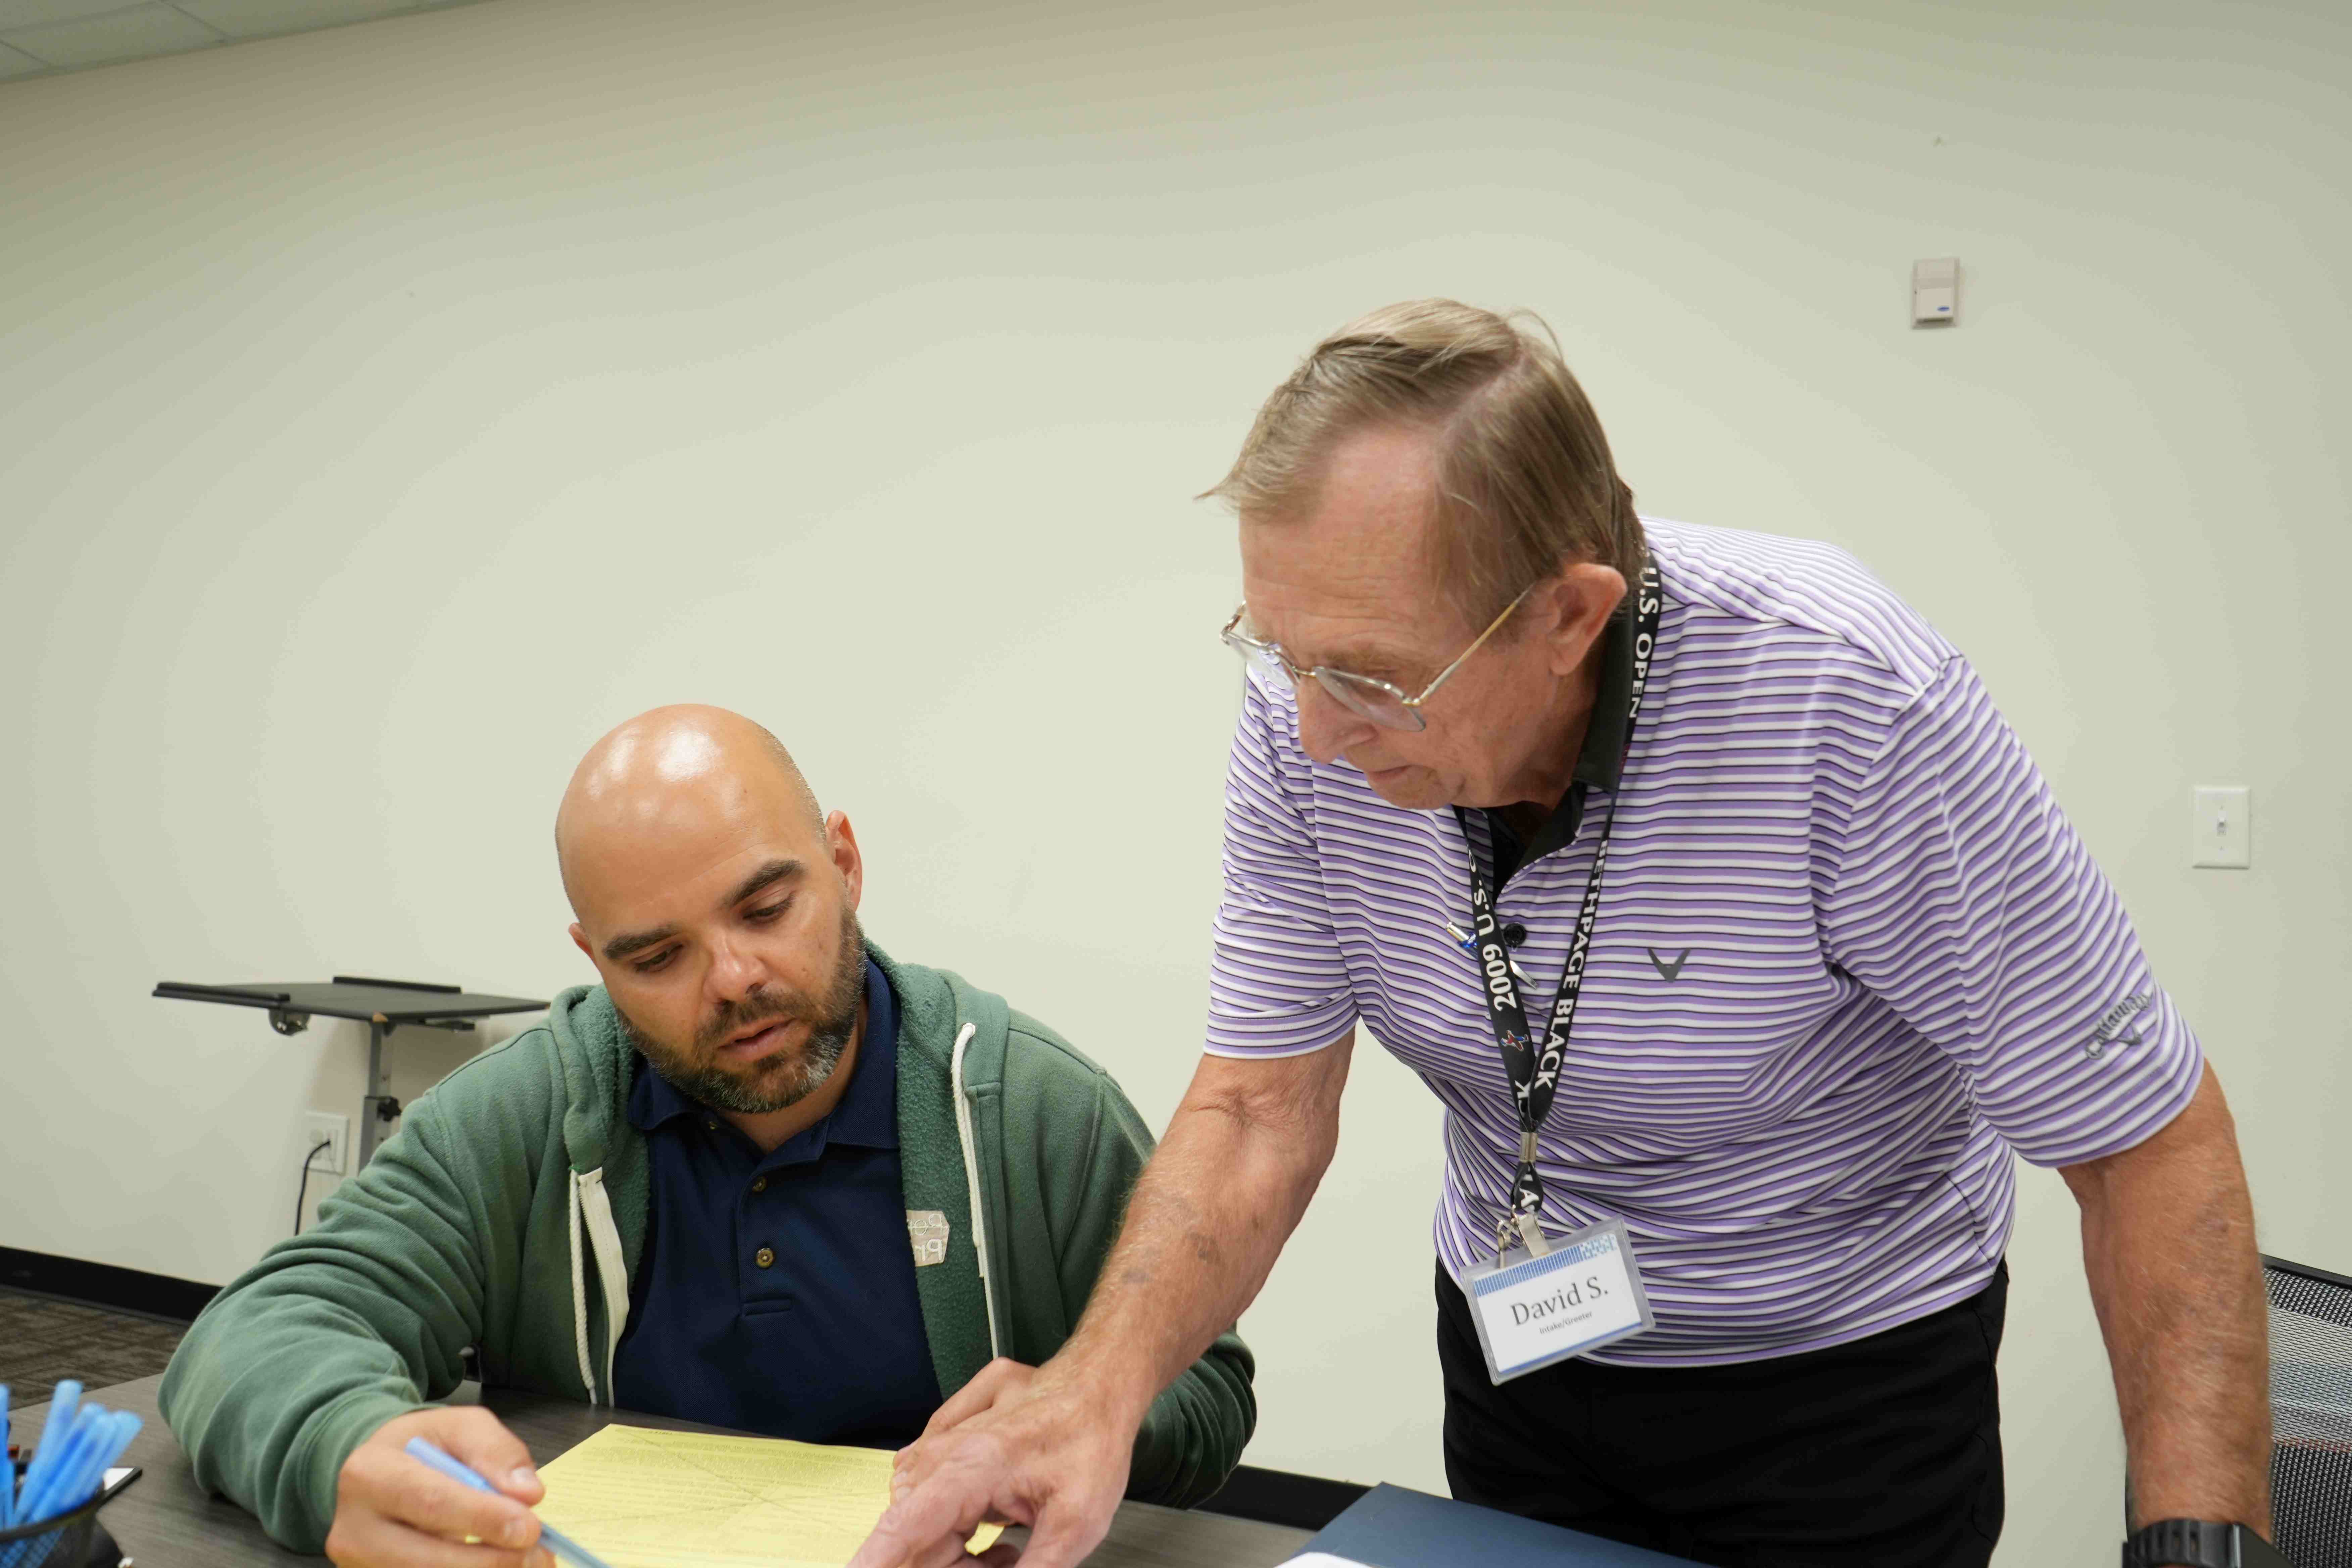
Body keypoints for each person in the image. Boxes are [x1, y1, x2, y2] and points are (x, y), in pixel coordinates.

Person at [856, 302, 2272, 1568]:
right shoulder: (1311, 723)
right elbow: (1258, 1106)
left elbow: (2150, 1145)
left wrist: (2197, 1546)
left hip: (1837, 1376)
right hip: (1533, 1344)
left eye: (1369, 676)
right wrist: (1091, 1397)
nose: (1311, 729)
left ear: (1569, 615)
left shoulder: (1850, 706)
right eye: (1278, 652)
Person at [159, 704, 1254, 1566]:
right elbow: (262, 1327)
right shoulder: (527, 1115)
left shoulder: (1028, 1107)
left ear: (844, 863)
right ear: (596, 960)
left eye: (766, 909)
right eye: (657, 957)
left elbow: (1209, 1389)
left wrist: (1088, 1410)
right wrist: (339, 1445)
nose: (733, 981)